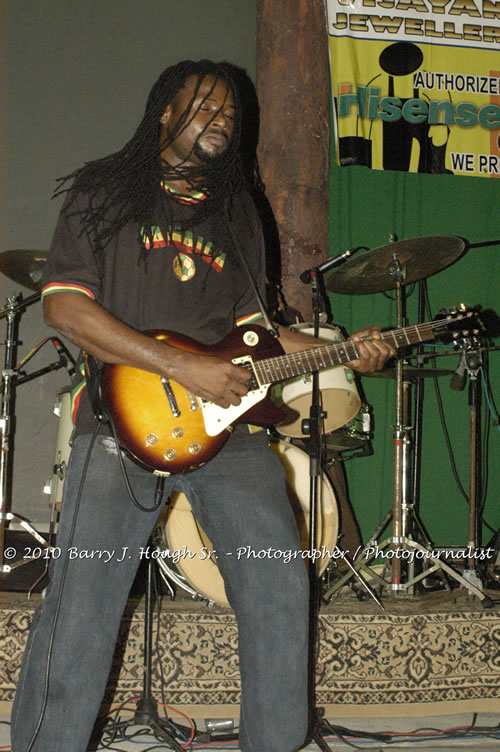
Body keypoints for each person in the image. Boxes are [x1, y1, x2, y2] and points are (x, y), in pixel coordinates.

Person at [11, 59, 394, 752]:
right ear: (165, 111)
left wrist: (346, 348)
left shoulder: (239, 211)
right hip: (122, 425)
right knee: (82, 611)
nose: (220, 119)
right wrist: (180, 364)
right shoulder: (107, 189)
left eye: (229, 113)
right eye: (203, 106)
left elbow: (261, 332)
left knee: (280, 588)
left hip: (233, 434)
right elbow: (66, 306)